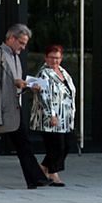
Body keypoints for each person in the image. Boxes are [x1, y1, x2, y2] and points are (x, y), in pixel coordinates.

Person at [0, 24, 49, 190]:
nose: (23, 47)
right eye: (21, 42)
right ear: (11, 38)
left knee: (16, 143)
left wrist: (24, 86)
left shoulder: (13, 57)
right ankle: (34, 178)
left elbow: (11, 84)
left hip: (9, 109)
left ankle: (35, 178)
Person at [29, 44, 76, 187]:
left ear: (61, 58)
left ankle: (42, 168)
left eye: (57, 58)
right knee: (56, 147)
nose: (54, 61)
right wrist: (51, 115)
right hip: (50, 117)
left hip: (65, 117)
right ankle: (53, 173)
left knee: (67, 145)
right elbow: (44, 96)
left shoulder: (63, 72)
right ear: (46, 58)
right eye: (51, 57)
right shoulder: (43, 73)